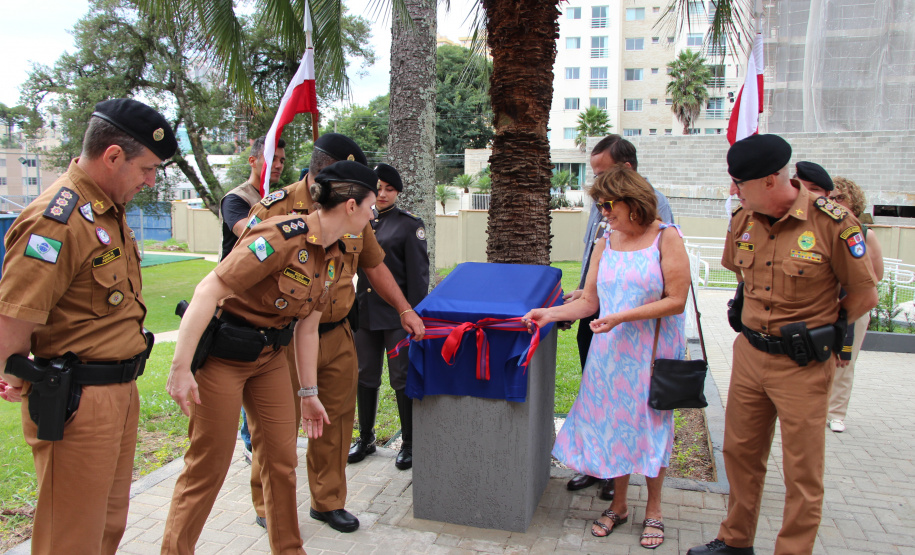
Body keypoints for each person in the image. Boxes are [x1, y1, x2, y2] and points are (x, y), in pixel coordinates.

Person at [160, 161, 379, 554]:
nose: (372, 215)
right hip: (223, 358)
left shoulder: (332, 253)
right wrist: (181, 368)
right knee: (207, 468)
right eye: (370, 207)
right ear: (350, 206)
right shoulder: (280, 236)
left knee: (281, 461)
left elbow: (308, 328)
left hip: (270, 356)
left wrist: (309, 392)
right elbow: (209, 290)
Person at [688, 135, 878, 555]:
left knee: (801, 471)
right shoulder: (743, 218)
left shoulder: (832, 222)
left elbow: (865, 294)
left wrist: (824, 329)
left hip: (802, 365)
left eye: (740, 182)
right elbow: (738, 274)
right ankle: (735, 541)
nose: (734, 190)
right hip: (751, 356)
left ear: (772, 180)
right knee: (739, 453)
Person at [0, 98, 175, 554]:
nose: (150, 180)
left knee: (107, 526)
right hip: (78, 401)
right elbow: (14, 316)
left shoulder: (105, 211)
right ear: (113, 156)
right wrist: (14, 374)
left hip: (119, 391)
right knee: (71, 536)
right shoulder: (55, 220)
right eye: (147, 168)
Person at [242, 133, 425, 534]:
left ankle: (327, 501)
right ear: (330, 173)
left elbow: (375, 265)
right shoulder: (277, 207)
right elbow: (241, 268)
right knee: (276, 426)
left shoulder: (355, 210)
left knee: (338, 421)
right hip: (283, 339)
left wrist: (404, 308)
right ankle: (268, 502)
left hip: (339, 332)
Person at [523, 165, 690, 549]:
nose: (604, 212)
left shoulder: (667, 238)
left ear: (634, 201)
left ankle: (655, 510)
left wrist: (620, 317)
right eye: (600, 205)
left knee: (651, 428)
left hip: (650, 354)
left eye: (609, 204)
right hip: (610, 353)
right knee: (615, 426)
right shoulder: (605, 241)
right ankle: (619, 505)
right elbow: (591, 302)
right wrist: (549, 314)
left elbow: (676, 300)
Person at [565, 135, 675, 499]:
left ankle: (629, 484)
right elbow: (595, 259)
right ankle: (600, 468)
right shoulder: (604, 210)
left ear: (626, 171)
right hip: (601, 318)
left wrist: (620, 313)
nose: (603, 205)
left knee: (640, 413)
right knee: (602, 401)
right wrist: (580, 296)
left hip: (640, 333)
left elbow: (659, 282)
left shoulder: (657, 215)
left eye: (604, 174)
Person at [349, 163, 429, 470]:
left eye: (389, 189)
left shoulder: (409, 225)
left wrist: (414, 314)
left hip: (397, 317)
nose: (382, 194)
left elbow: (418, 279)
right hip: (364, 316)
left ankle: (410, 443)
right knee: (364, 375)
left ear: (398, 192)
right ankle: (366, 438)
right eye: (378, 187)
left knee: (401, 378)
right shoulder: (358, 221)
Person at [219, 135, 286, 464]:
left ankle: (258, 442)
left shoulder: (277, 199)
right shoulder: (237, 198)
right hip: (237, 304)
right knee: (244, 368)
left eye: (281, 161)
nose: (277, 165)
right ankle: (249, 445)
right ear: (253, 160)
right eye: (272, 158)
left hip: (270, 305)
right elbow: (250, 235)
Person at [827, 177, 884, 433]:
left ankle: (836, 413)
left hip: (853, 305)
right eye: (830, 198)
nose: (834, 203)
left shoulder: (863, 233)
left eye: (840, 198)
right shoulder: (821, 229)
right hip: (822, 304)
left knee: (844, 361)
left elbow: (876, 276)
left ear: (854, 202)